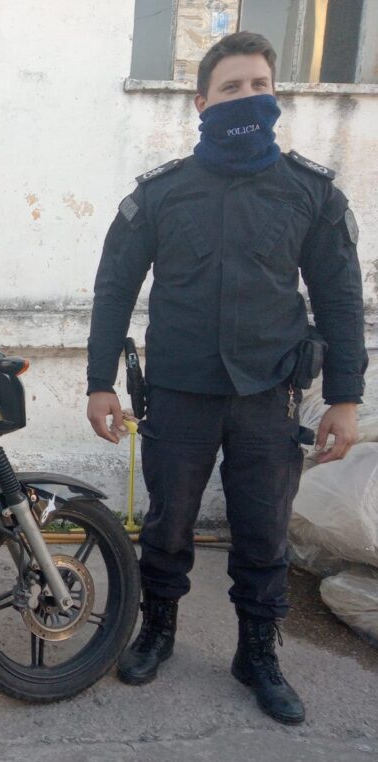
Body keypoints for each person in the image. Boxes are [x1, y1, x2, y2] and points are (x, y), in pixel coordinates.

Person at [86, 31, 366, 725]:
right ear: (201, 102)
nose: (248, 97)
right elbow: (114, 291)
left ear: (276, 94)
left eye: (259, 85)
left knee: (264, 532)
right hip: (180, 391)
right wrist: (99, 383)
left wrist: (346, 398)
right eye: (232, 87)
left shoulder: (310, 193)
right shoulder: (161, 195)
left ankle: (257, 653)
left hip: (269, 394)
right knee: (168, 525)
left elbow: (339, 298)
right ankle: (158, 631)